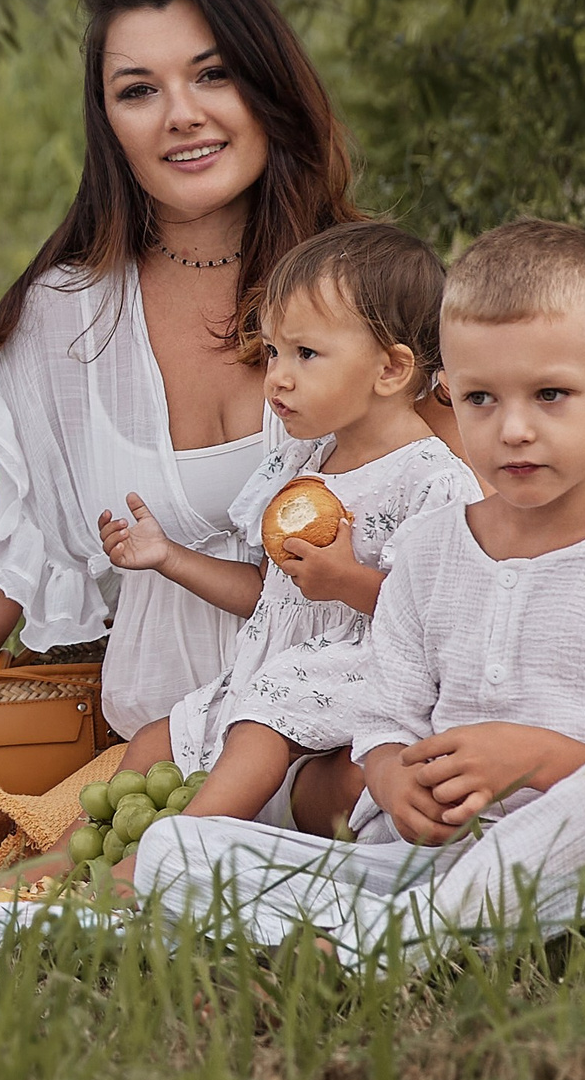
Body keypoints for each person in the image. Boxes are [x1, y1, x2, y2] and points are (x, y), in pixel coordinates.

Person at [135, 220, 585, 959]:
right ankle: (421, 936)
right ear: (449, 392)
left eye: (551, 394)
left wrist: (534, 757)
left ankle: (376, 950)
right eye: (481, 398)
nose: (513, 428)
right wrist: (394, 779)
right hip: (428, 865)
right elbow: (383, 725)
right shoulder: (428, 554)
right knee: (175, 849)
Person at [0, 0, 364, 750]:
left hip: (355, 752)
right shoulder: (63, 319)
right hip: (152, 761)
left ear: (268, 86)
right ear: (106, 122)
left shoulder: (371, 293)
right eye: (138, 90)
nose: (181, 114)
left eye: (213, 74)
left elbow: (474, 544)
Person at [102, 223, 479, 830]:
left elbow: (443, 618)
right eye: (273, 351)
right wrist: (167, 556)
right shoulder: (300, 462)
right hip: (270, 680)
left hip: (363, 679)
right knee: (153, 741)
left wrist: (346, 581)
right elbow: (266, 593)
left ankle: (175, 854)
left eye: (305, 354)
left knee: (261, 722)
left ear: (390, 369)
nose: (277, 375)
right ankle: (49, 867)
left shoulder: (432, 481)